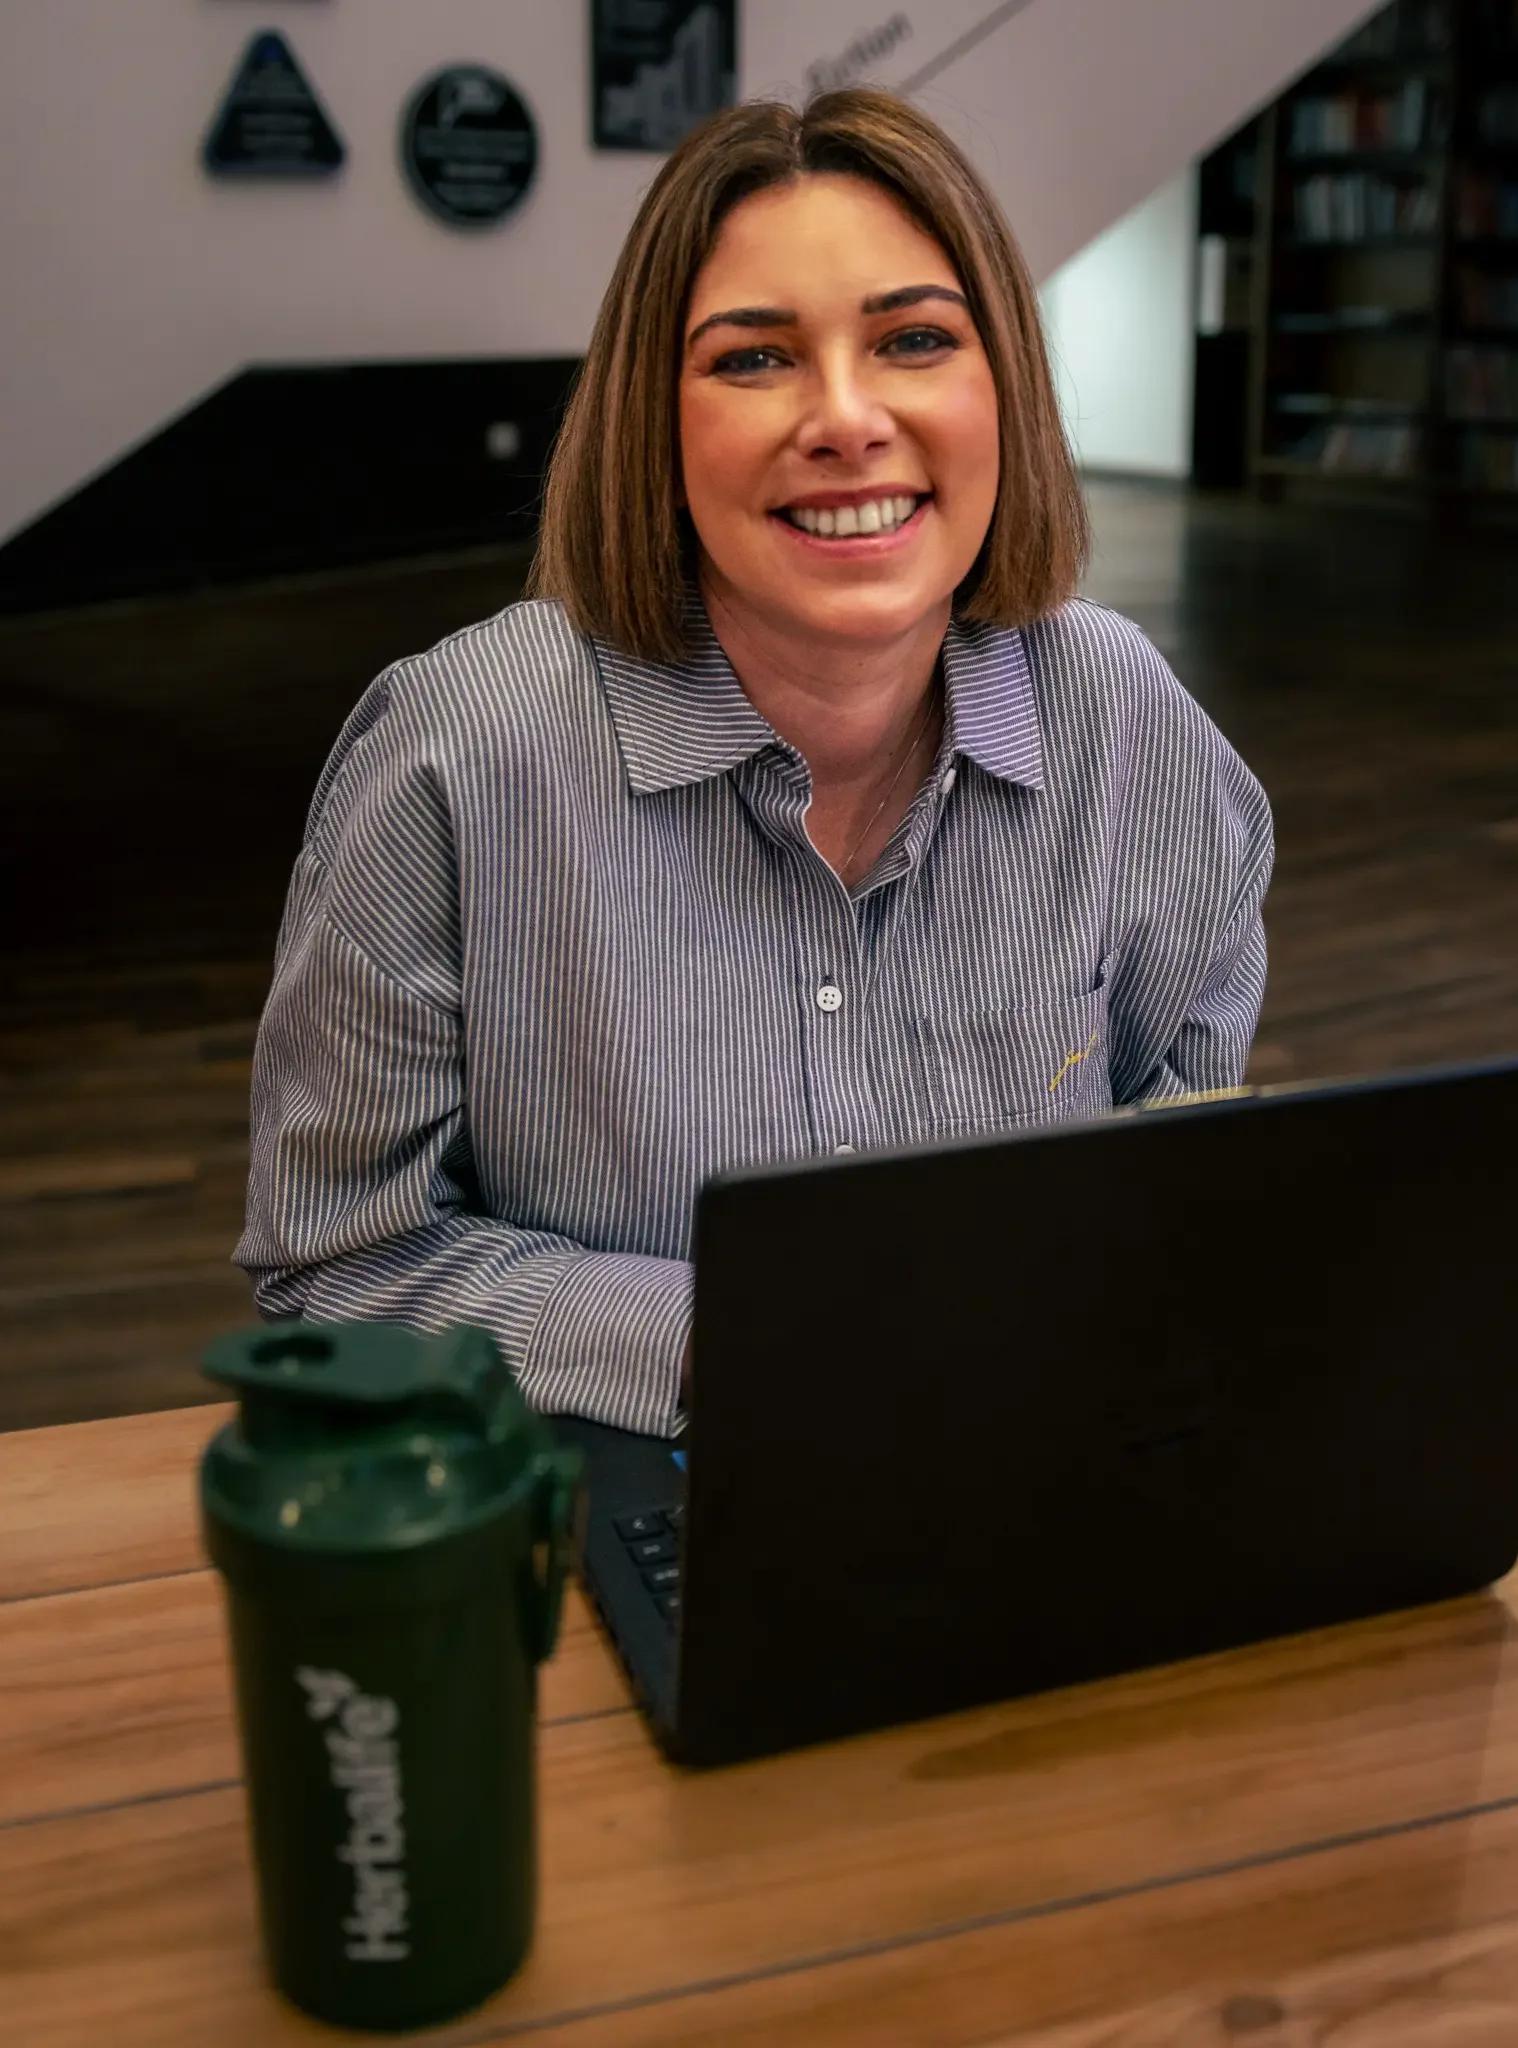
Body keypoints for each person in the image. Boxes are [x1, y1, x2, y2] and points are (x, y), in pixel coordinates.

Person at [236, 89, 1274, 1436]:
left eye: (911, 339)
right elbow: (335, 1265)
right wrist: (740, 1340)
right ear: (654, 429)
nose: (845, 419)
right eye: (752, 359)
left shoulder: (1127, 723)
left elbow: (1184, 1177)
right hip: (628, 1486)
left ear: (1000, 387)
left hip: (1043, 1457)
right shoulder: (460, 751)